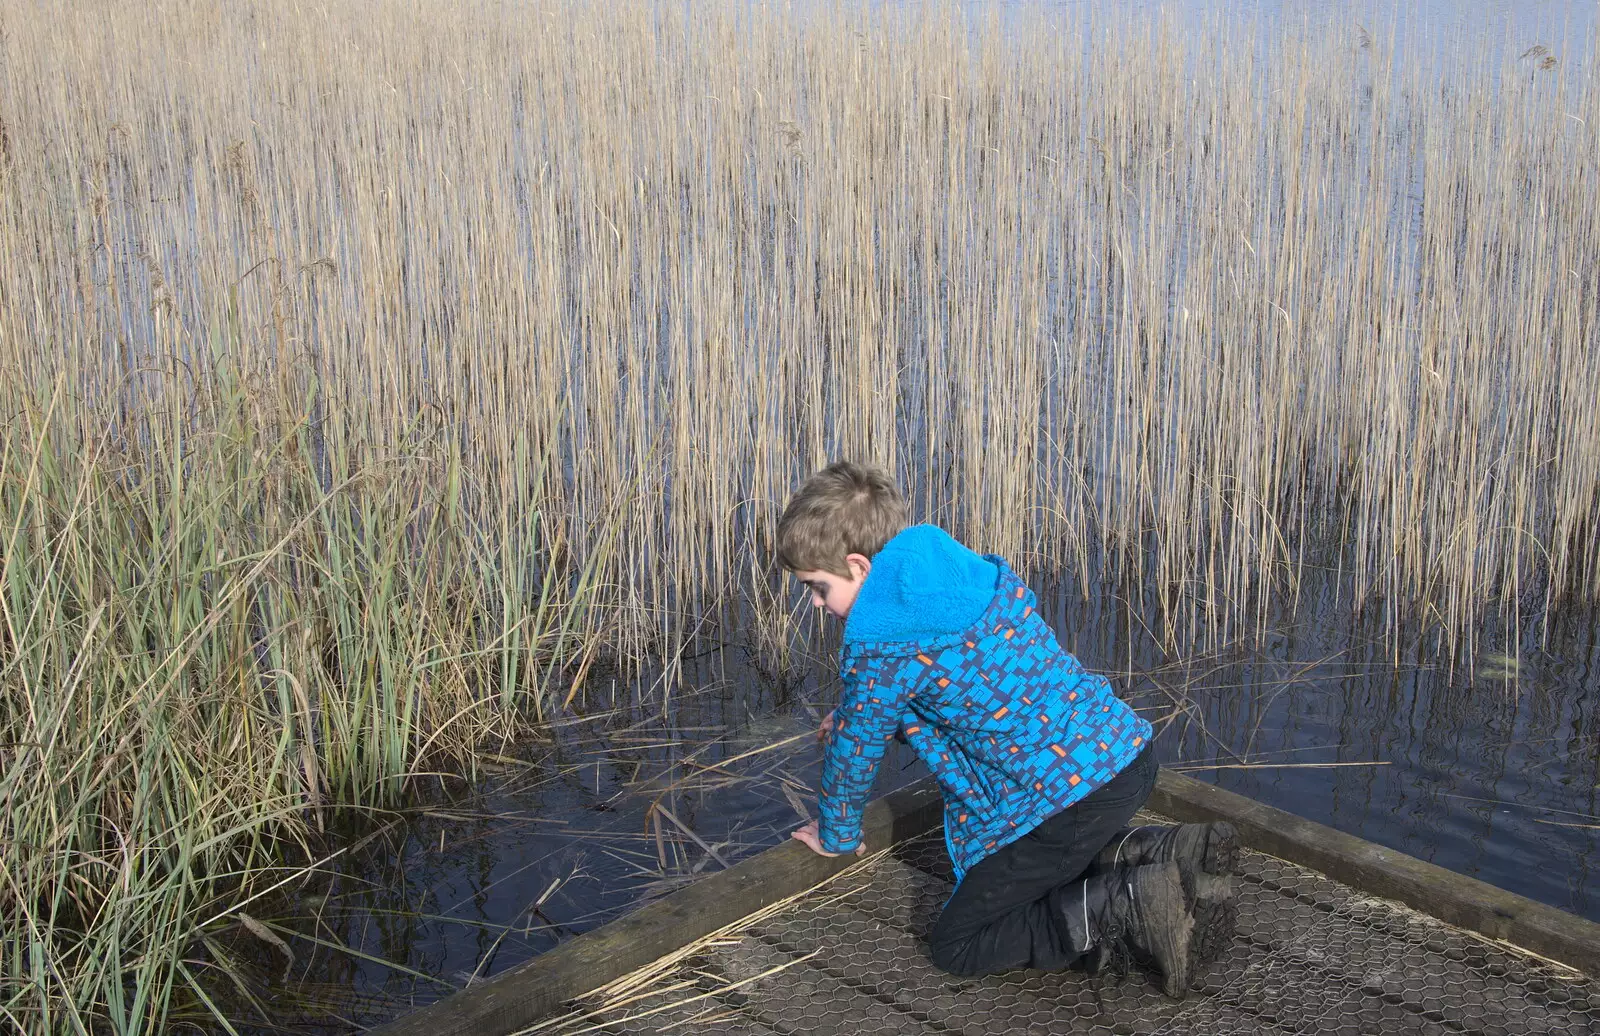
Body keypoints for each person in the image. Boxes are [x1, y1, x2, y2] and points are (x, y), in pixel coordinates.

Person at [778, 460, 1238, 997]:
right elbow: (961, 691)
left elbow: (855, 753)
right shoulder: (957, 581)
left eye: (817, 586)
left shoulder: (878, 641)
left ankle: (1128, 905)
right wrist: (868, 717)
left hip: (1066, 797)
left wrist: (836, 834)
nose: (815, 603)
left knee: (961, 944)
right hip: (1122, 759)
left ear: (858, 567)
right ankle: (1169, 850)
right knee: (1048, 860)